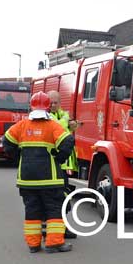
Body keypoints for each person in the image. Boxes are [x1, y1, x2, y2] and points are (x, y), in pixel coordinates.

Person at [3, 91, 75, 254]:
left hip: (27, 179)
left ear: (31, 107)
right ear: (48, 108)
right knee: (54, 210)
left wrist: (19, 158)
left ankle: (34, 244)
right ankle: (54, 243)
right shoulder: (52, 126)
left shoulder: (22, 125)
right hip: (50, 179)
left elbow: (6, 141)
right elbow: (68, 141)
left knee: (32, 211)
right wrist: (59, 158)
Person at [48, 90, 78, 239]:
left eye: (55, 102)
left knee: (63, 197)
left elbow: (69, 128)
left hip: (63, 165)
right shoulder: (48, 116)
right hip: (53, 164)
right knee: (58, 198)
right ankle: (58, 230)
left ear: (60, 102)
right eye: (50, 102)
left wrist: (73, 123)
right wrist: (67, 120)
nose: (53, 105)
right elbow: (57, 126)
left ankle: (61, 228)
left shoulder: (63, 115)